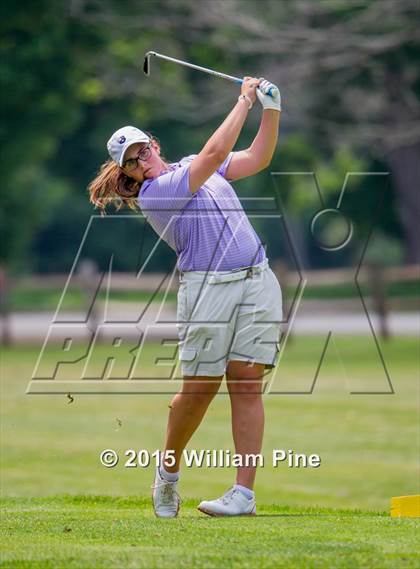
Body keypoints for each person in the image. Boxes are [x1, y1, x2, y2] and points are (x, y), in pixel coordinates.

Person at [88, 77, 282, 517]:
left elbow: (257, 157)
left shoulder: (195, 164)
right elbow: (215, 153)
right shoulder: (157, 195)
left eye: (143, 150)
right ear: (130, 175)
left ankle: (243, 495)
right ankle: (168, 475)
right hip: (207, 289)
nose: (142, 161)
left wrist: (273, 110)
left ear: (154, 145)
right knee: (199, 391)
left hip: (257, 277)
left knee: (247, 383)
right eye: (132, 162)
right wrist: (244, 101)